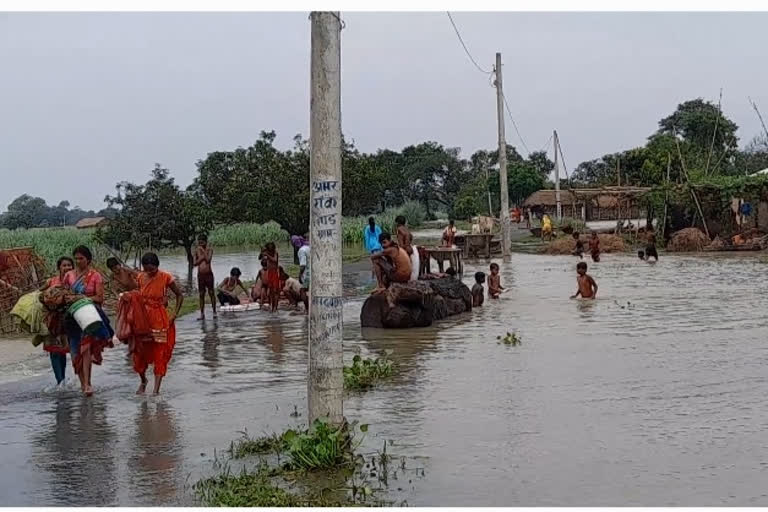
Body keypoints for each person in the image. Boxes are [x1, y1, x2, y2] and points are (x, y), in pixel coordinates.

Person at [62, 245, 114, 396]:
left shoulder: (95, 276)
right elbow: (64, 295)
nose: (78, 261)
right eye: (76, 258)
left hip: (88, 316)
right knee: (74, 351)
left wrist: (82, 298)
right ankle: (82, 382)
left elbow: (100, 297)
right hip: (72, 317)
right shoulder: (69, 276)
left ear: (88, 259)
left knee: (85, 350)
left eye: (81, 258)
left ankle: (87, 384)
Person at [133, 252, 184, 395]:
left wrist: (174, 314)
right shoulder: (140, 277)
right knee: (139, 352)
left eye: (152, 269)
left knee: (159, 353)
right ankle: (143, 381)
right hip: (143, 320)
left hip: (160, 320)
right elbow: (137, 295)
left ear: (157, 266)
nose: (150, 272)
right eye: (147, 269)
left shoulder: (166, 277)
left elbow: (179, 295)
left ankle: (156, 390)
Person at [40, 256, 74, 385]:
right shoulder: (51, 281)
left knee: (64, 350)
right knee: (54, 351)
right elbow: (39, 295)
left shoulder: (74, 282)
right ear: (59, 267)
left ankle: (63, 380)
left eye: (69, 265)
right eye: (64, 265)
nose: (67, 268)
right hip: (52, 321)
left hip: (68, 320)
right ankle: (59, 381)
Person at [193, 234, 216, 320]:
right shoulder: (196, 251)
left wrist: (203, 251)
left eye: (202, 242)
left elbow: (208, 260)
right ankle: (202, 314)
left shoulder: (209, 250)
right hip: (200, 275)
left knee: (211, 293)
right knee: (201, 294)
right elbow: (195, 263)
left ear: (206, 242)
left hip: (208, 274)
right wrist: (201, 256)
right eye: (199, 242)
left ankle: (214, 312)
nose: (200, 244)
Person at [396, 215, 419, 281]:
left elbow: (401, 244)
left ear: (398, 223)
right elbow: (410, 238)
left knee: (405, 267)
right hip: (410, 249)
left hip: (405, 250)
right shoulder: (407, 229)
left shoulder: (399, 230)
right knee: (411, 266)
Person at [262, 242, 280, 312]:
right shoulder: (267, 252)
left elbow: (275, 260)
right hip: (269, 273)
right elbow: (260, 258)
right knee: (271, 290)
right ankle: (272, 306)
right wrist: (262, 252)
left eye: (271, 247)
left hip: (275, 272)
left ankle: (275, 307)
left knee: (275, 290)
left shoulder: (275, 253)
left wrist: (267, 255)